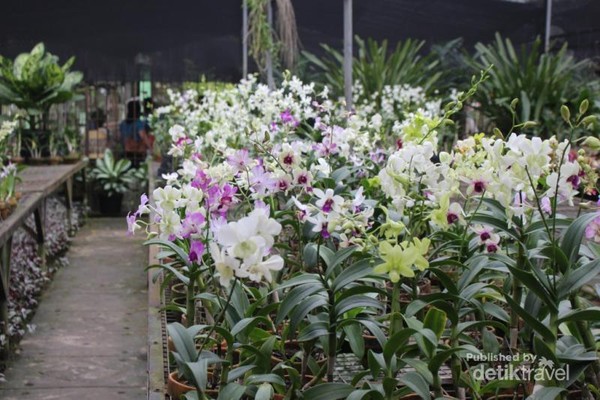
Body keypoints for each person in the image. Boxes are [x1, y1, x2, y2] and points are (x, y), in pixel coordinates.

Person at [119, 99, 153, 166]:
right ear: (138, 110)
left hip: (126, 152)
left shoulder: (122, 123)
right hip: (137, 153)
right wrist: (150, 148)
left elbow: (120, 137)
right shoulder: (138, 123)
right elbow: (143, 136)